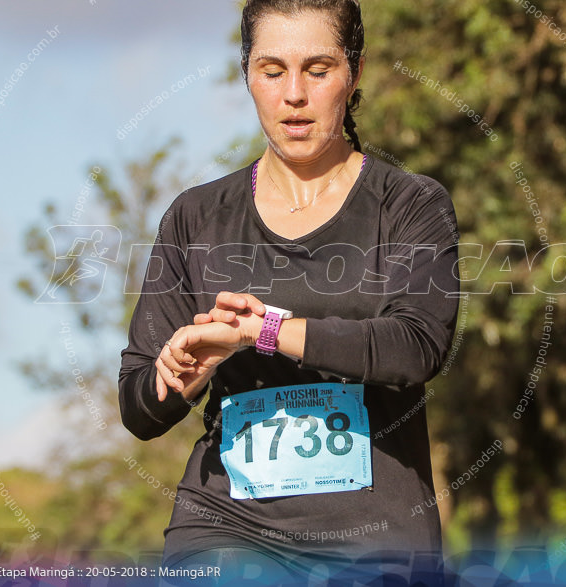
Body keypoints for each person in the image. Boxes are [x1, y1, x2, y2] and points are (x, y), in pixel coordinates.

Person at [119, 0, 459, 582]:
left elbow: (414, 347)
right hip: (223, 527)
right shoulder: (195, 217)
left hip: (375, 538)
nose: (294, 94)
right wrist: (177, 376)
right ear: (247, 75)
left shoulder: (410, 205)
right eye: (272, 71)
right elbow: (138, 406)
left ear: (355, 75)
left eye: (318, 69)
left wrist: (264, 331)